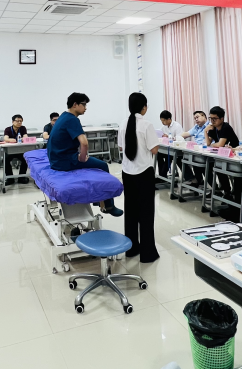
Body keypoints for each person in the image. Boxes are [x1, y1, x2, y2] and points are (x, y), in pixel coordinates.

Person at [47, 92, 122, 216]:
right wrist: (82, 158)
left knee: (93, 163)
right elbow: (84, 143)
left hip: (56, 159)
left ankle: (99, 199)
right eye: (84, 104)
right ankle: (108, 205)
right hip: (65, 161)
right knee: (103, 166)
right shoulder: (72, 119)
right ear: (75, 105)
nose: (85, 108)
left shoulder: (63, 116)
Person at [118, 93, 161, 262]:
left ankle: (131, 249)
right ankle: (147, 253)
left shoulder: (123, 123)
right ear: (143, 107)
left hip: (127, 172)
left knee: (130, 211)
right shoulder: (146, 125)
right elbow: (154, 150)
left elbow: (121, 148)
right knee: (146, 213)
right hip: (144, 173)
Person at [205, 106, 240, 199]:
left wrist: (213, 145)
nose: (212, 121)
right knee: (209, 166)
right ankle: (220, 190)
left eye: (215, 118)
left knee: (218, 167)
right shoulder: (213, 128)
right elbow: (208, 143)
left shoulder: (226, 127)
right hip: (222, 155)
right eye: (211, 118)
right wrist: (205, 131)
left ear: (222, 118)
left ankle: (227, 191)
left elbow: (220, 144)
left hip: (233, 155)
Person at [181, 110, 209, 185]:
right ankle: (199, 181)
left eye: (197, 117)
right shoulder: (197, 127)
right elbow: (187, 133)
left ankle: (211, 185)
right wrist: (176, 137)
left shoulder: (210, 126)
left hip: (207, 151)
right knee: (189, 159)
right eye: (195, 118)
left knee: (198, 163)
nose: (196, 119)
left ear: (204, 116)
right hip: (197, 150)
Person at [2, 114, 29, 185]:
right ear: (13, 122)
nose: (19, 122)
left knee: (26, 158)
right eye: (17, 121)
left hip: (20, 150)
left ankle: (21, 177)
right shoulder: (8, 129)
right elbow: (5, 139)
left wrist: (21, 139)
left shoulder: (23, 128)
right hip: (10, 151)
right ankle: (10, 178)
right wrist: (12, 140)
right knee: (5, 159)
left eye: (21, 121)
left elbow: (26, 137)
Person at [156, 110, 183, 181]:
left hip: (176, 149)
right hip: (167, 148)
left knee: (169, 156)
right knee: (158, 154)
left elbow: (180, 138)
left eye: (163, 121)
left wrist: (168, 137)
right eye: (161, 121)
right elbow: (160, 133)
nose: (162, 122)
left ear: (169, 119)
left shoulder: (177, 126)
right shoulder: (164, 127)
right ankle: (162, 175)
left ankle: (162, 176)